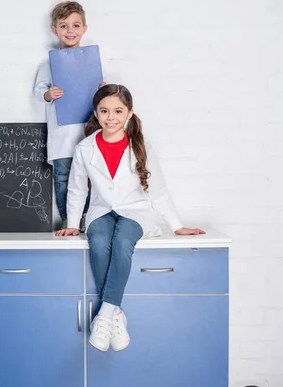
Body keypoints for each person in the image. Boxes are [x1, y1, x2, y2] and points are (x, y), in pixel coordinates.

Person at [56, 84, 205, 351]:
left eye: (117, 111)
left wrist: (176, 225)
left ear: (129, 113)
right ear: (96, 113)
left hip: (136, 211)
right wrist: (71, 225)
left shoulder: (141, 146)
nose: (110, 117)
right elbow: (77, 190)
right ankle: (116, 314)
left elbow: (158, 191)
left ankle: (105, 313)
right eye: (104, 111)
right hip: (102, 211)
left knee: (124, 241)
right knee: (99, 241)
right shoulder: (84, 148)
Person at [33, 0, 100, 230]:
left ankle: (87, 218)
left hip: (87, 130)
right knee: (63, 177)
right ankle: (68, 219)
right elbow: (38, 91)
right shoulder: (49, 64)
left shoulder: (92, 62)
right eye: (64, 26)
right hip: (62, 132)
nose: (70, 31)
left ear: (84, 29)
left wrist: (101, 90)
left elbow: (100, 97)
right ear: (55, 30)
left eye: (75, 25)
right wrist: (49, 94)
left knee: (90, 177)